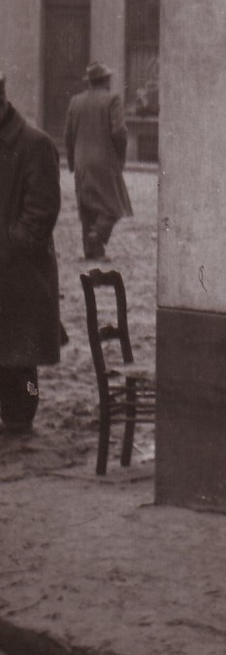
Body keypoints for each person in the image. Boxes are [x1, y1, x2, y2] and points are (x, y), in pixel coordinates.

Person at [0, 70, 62, 435]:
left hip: (20, 276)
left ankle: (21, 421)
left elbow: (41, 215)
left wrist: (7, 247)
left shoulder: (35, 144)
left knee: (20, 362)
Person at [65, 62, 132, 260]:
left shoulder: (75, 101)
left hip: (81, 162)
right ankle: (98, 236)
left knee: (87, 207)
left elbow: (68, 134)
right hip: (105, 161)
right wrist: (120, 156)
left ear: (90, 81)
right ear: (105, 80)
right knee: (114, 205)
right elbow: (119, 131)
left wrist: (72, 161)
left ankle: (92, 252)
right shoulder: (112, 99)